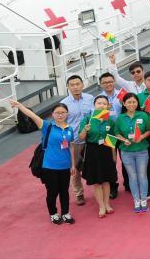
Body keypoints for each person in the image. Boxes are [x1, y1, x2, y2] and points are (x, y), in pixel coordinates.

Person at [12, 100, 77, 225]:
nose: (60, 115)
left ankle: (65, 213)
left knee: (64, 191)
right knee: (52, 192)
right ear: (52, 114)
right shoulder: (47, 126)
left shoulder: (69, 129)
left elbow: (71, 147)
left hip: (65, 166)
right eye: (57, 112)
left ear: (67, 114)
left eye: (63, 112)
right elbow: (32, 115)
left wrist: (73, 164)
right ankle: (53, 214)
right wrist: (20, 106)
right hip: (50, 166)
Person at [77, 94, 118, 218]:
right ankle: (101, 206)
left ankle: (107, 203)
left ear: (108, 106)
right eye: (99, 103)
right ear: (94, 105)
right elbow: (81, 138)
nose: (101, 105)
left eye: (104, 103)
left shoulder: (109, 120)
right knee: (97, 182)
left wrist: (114, 155)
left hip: (106, 151)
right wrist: (85, 130)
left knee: (106, 180)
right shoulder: (88, 119)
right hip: (92, 151)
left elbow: (111, 139)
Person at [115, 92, 150, 213]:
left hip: (142, 150)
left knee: (142, 176)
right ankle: (136, 200)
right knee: (132, 177)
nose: (131, 104)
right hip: (126, 152)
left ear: (137, 103)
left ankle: (143, 199)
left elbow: (149, 130)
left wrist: (142, 137)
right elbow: (117, 133)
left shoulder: (143, 115)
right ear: (124, 103)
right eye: (129, 102)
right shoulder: (120, 118)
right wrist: (123, 140)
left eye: (134, 102)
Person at [60, 75, 94, 206]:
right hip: (73, 142)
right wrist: (64, 144)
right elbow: (61, 124)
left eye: (78, 84)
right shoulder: (64, 103)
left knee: (93, 167)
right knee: (74, 171)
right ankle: (79, 193)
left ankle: (101, 189)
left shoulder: (90, 98)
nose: (75, 87)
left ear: (82, 85)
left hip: (90, 140)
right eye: (72, 85)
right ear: (68, 87)